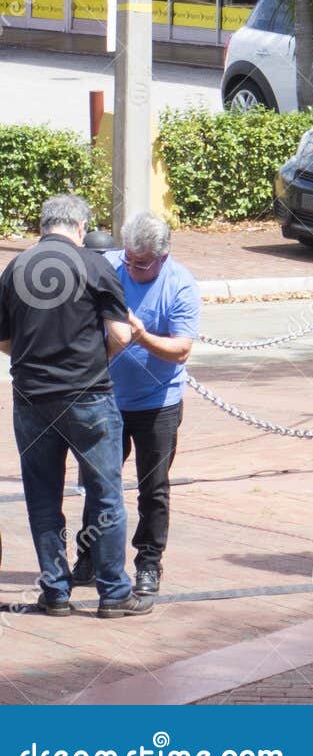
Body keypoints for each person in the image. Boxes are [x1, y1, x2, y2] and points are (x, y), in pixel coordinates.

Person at [0, 194, 152, 618]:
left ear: (44, 225)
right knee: (105, 494)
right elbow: (120, 335)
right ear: (81, 227)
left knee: (43, 496)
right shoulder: (94, 265)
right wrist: (89, 362)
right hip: (88, 396)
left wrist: (38, 363)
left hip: (31, 398)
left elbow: (4, 340)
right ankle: (113, 592)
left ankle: (55, 590)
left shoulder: (15, 269)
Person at [70, 211, 200, 597]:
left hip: (158, 403)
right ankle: (90, 555)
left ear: (163, 256)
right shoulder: (110, 268)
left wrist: (141, 336)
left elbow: (181, 349)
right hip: (107, 397)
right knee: (99, 482)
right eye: (129, 258)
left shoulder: (180, 284)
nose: (133, 267)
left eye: (142, 263)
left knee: (153, 487)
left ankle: (148, 562)